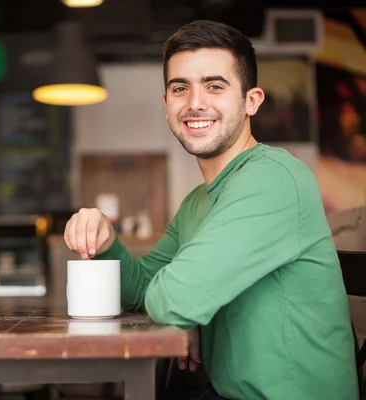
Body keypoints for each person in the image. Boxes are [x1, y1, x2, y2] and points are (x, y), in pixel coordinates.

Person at [63, 20, 358, 400]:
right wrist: (105, 239)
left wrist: (186, 311)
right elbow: (142, 290)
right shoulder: (197, 202)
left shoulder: (273, 179)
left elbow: (171, 300)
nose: (195, 102)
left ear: (251, 100)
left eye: (215, 86)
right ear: (166, 105)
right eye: (180, 88)